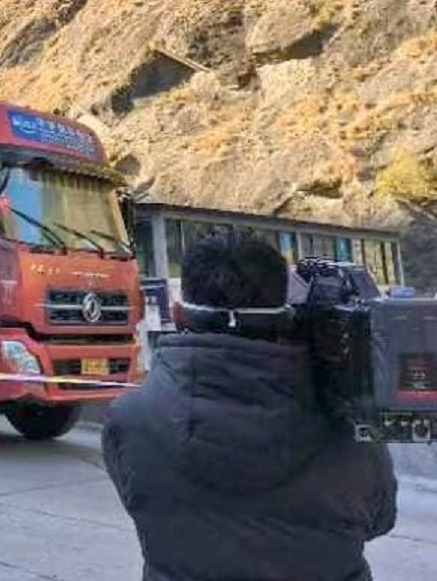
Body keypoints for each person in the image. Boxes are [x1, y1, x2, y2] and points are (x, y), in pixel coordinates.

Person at [102, 234, 397, 581]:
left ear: (178, 314)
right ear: (288, 318)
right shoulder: (347, 420)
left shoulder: (129, 419)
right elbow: (380, 518)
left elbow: (140, 503)